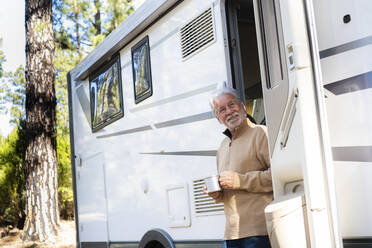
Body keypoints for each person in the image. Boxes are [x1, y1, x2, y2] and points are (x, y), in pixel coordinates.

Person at [207, 86, 273, 248]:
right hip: (231, 235)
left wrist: (240, 181)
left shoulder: (260, 133)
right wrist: (217, 194)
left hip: (259, 233)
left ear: (242, 106)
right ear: (218, 118)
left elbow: (277, 176)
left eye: (231, 104)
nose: (228, 111)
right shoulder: (222, 146)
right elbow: (229, 191)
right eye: (222, 109)